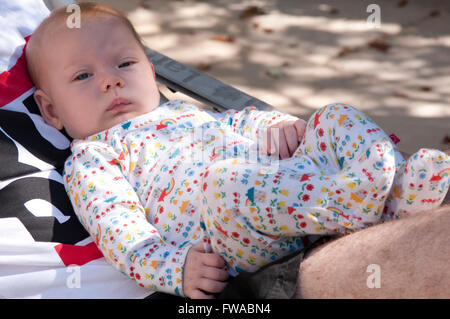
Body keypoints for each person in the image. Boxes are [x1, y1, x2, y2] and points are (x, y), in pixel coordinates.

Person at [25, 3, 450, 299]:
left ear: (150, 72)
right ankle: (362, 200)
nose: (110, 81)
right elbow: (119, 230)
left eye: (124, 64)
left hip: (288, 184)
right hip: (223, 230)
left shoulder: (183, 112)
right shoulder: (93, 157)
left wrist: (279, 126)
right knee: (224, 181)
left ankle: (390, 191)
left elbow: (243, 121)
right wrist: (175, 268)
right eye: (83, 75)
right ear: (51, 110)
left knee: (333, 116)